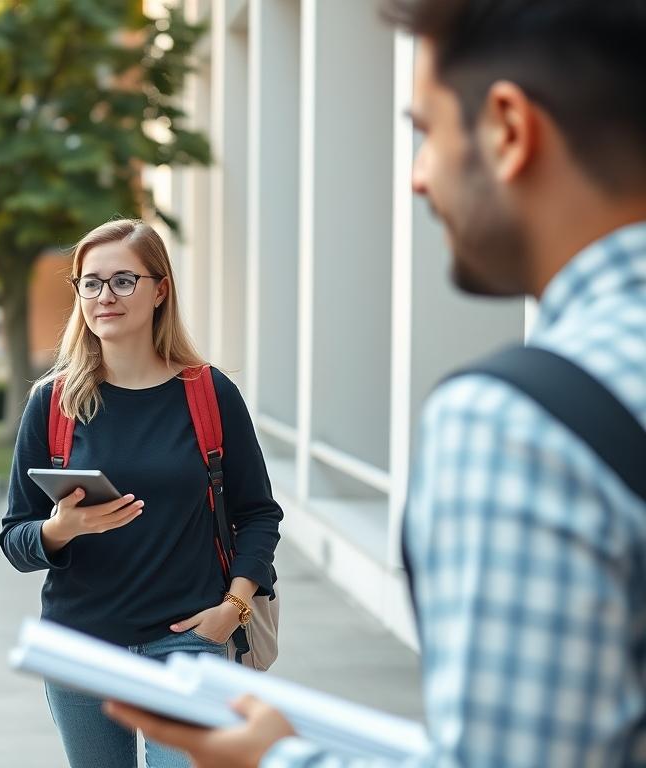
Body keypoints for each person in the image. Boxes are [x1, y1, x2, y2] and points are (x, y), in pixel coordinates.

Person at [106, 1, 646, 765]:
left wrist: (276, 757)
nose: (418, 179)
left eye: (425, 133)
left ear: (509, 129)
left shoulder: (518, 426)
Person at [0, 219, 283, 768]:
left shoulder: (209, 394)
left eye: (124, 280)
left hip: (188, 643)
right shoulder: (52, 402)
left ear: (160, 290)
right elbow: (16, 538)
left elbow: (258, 514)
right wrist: (60, 530)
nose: (105, 296)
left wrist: (235, 607)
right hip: (79, 648)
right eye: (91, 282)